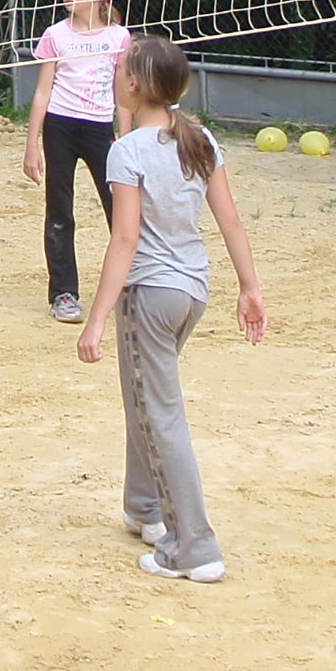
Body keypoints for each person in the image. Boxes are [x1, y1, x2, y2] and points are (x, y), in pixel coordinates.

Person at [76, 34, 267, 583]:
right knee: (147, 397)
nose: (114, 74)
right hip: (192, 292)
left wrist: (96, 319)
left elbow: (125, 240)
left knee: (160, 412)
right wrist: (249, 287)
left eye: (120, 69)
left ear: (135, 86)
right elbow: (231, 221)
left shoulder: (128, 150)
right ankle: (145, 509)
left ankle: (194, 547)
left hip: (150, 296)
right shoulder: (199, 138)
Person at [21, 0, 131, 324]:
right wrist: (32, 144)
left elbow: (123, 94)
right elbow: (42, 92)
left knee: (120, 207)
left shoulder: (118, 37)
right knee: (59, 210)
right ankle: (64, 294)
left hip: (100, 129)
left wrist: (126, 141)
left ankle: (133, 283)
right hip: (61, 127)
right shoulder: (56, 34)